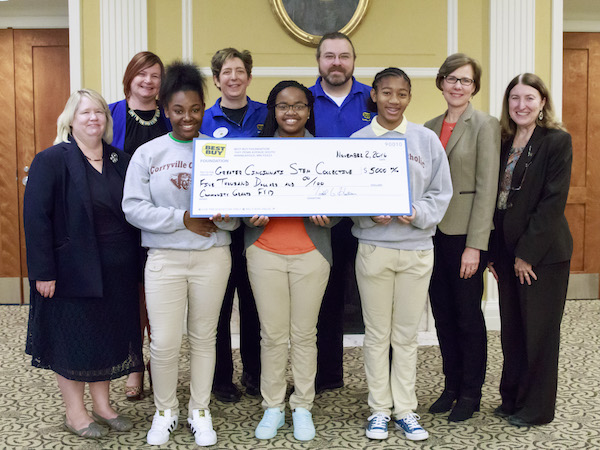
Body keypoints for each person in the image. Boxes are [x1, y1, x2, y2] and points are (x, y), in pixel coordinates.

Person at [122, 61, 239, 447]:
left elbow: (237, 216)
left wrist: (225, 218)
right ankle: (166, 410)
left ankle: (199, 410)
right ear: (165, 109)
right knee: (165, 342)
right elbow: (133, 208)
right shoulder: (148, 153)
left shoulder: (219, 150)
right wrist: (182, 219)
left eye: (194, 109)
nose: (186, 118)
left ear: (203, 108)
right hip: (165, 259)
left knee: (205, 338)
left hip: (212, 258)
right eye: (178, 110)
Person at [24, 89, 144, 438]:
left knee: (104, 339)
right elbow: (36, 219)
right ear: (70, 120)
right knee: (72, 342)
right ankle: (76, 413)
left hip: (117, 270)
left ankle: (103, 406)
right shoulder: (52, 160)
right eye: (85, 112)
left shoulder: (121, 160)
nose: (93, 118)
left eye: (100, 113)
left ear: (107, 121)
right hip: (69, 271)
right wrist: (43, 272)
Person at [351, 68, 452, 441]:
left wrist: (417, 212)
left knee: (406, 336)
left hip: (416, 250)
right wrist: (367, 211)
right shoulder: (358, 141)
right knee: (377, 334)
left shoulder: (425, 140)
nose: (394, 101)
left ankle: (405, 409)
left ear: (409, 98)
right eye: (387, 93)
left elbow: (441, 192)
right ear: (374, 95)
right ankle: (379, 409)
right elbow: (349, 195)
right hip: (374, 248)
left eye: (402, 94)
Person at [245, 80, 340, 442]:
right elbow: (233, 195)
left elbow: (344, 199)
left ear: (309, 110)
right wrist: (246, 215)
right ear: (273, 111)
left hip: (311, 255)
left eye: (299, 105)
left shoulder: (325, 152)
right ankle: (273, 407)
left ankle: (302, 406)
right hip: (264, 252)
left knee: (304, 335)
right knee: (271, 336)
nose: (291, 112)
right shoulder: (254, 152)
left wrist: (328, 216)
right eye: (283, 106)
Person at [488, 73, 572, 427]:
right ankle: (514, 400)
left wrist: (527, 254)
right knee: (514, 331)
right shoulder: (504, 139)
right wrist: (494, 253)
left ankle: (537, 410)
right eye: (514, 99)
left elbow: (551, 202)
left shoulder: (556, 140)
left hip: (542, 256)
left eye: (529, 98)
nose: (521, 105)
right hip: (506, 254)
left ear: (542, 103)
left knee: (538, 332)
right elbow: (495, 201)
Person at [424, 53, 500, 422]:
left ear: (474, 87)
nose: (457, 86)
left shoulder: (486, 125)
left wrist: (476, 245)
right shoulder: (428, 126)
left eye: (465, 81)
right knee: (442, 315)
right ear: (441, 82)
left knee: (469, 316)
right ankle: (450, 386)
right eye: (451, 79)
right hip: (430, 235)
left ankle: (471, 393)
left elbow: (487, 189)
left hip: (464, 237)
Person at [308, 31, 373, 393]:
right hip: (322, 220)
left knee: (373, 299)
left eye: (344, 56)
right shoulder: (303, 100)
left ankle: (381, 383)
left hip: (368, 218)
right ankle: (328, 377)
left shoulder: (373, 98)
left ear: (353, 60)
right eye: (329, 56)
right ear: (318, 61)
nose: (336, 62)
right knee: (327, 299)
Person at [201, 48, 267, 402]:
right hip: (219, 231)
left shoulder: (266, 116)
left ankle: (255, 374)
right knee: (220, 306)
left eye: (240, 70)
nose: (234, 77)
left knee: (255, 305)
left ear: (249, 77)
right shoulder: (203, 119)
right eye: (226, 72)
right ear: (216, 79)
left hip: (258, 228)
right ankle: (221, 379)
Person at [109, 51, 172, 400]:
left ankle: (157, 362)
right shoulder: (113, 114)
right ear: (129, 77)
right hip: (123, 224)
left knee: (157, 297)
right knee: (130, 298)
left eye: (155, 76)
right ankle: (135, 365)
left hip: (165, 223)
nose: (148, 82)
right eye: (142, 75)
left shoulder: (171, 115)